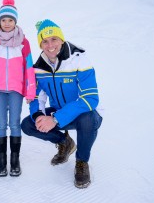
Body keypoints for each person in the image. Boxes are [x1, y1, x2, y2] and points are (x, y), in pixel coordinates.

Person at [21, 19, 103, 189]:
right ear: (40, 44)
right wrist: (39, 115)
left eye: (54, 39)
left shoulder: (78, 59)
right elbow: (37, 97)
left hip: (85, 114)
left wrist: (56, 119)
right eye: (45, 41)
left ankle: (82, 162)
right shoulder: (39, 67)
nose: (50, 45)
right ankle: (65, 142)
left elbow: (90, 98)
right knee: (28, 124)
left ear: (61, 40)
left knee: (87, 119)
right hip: (59, 112)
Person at [0, 0, 36, 177]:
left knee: (14, 123)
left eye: (10, 20)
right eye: (3, 20)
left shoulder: (23, 43)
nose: (6, 23)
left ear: (15, 21)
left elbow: (29, 69)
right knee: (0, 123)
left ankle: (15, 160)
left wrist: (30, 91)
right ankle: (2, 161)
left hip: (16, 89)